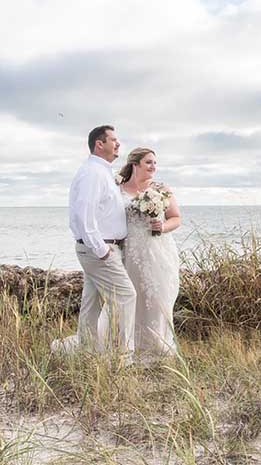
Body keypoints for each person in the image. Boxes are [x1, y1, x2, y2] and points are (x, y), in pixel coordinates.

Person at [52, 125, 136, 356]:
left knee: (92, 303)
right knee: (126, 296)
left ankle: (85, 351)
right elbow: (83, 214)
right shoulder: (92, 173)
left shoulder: (101, 171)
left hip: (100, 248)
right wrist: (101, 250)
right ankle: (123, 357)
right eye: (114, 140)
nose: (118, 144)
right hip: (99, 249)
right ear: (100, 144)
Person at [116, 147, 182, 356]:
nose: (153, 167)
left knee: (158, 296)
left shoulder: (161, 189)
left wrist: (161, 227)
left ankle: (156, 344)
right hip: (131, 251)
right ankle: (127, 345)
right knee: (131, 297)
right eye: (148, 162)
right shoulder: (118, 187)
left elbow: (176, 218)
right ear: (135, 164)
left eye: (155, 162)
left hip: (158, 250)